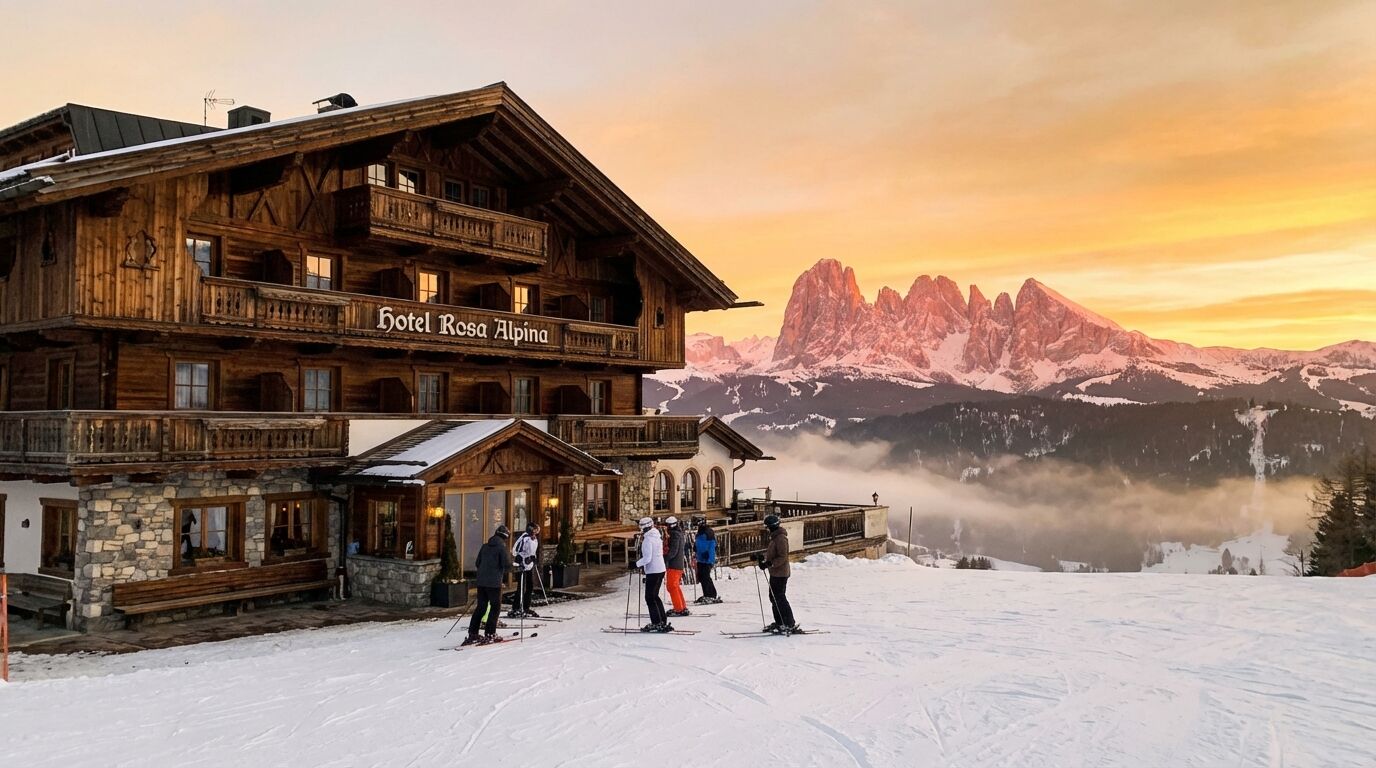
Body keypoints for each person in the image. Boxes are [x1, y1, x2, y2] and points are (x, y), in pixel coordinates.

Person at [464, 524, 512, 646]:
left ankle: (473, 633)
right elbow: (507, 565)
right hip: (494, 583)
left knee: (481, 607)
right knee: (495, 607)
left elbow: (477, 563)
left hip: (481, 582)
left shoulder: (485, 546)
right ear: (505, 537)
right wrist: (518, 567)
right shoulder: (501, 548)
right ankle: (490, 633)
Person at [756, 514, 800, 634]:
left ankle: (788, 623)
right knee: (774, 598)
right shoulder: (775, 537)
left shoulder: (781, 538)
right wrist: (762, 559)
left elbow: (783, 557)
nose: (767, 529)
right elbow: (773, 554)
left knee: (779, 598)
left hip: (781, 573)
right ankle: (780, 622)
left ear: (772, 526)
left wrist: (770, 563)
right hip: (775, 573)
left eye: (767, 527)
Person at [632, 516, 672, 632]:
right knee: (655, 596)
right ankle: (662, 620)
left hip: (653, 570)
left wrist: (635, 564)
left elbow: (647, 558)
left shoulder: (648, 540)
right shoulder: (657, 536)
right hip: (660, 569)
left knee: (650, 597)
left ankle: (656, 622)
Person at [509, 522, 541, 618]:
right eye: (535, 530)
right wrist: (522, 558)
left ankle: (526, 607)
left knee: (530, 586)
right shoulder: (524, 537)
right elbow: (515, 551)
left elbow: (533, 551)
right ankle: (516, 608)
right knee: (521, 587)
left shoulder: (534, 539)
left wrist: (533, 558)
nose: (537, 532)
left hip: (529, 565)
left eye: (537, 531)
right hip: (522, 565)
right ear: (531, 529)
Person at [663, 516, 690, 617]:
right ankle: (681, 606)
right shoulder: (678, 533)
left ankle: (679, 608)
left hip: (674, 564)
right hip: (677, 564)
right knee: (675, 586)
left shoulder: (674, 535)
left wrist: (665, 558)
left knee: (671, 586)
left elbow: (673, 551)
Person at [693, 519, 721, 604]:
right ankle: (706, 594)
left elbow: (712, 545)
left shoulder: (708, 532)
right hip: (700, 558)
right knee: (701, 577)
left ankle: (711, 594)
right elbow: (699, 543)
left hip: (707, 559)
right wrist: (695, 547)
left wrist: (709, 555)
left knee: (706, 576)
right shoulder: (700, 532)